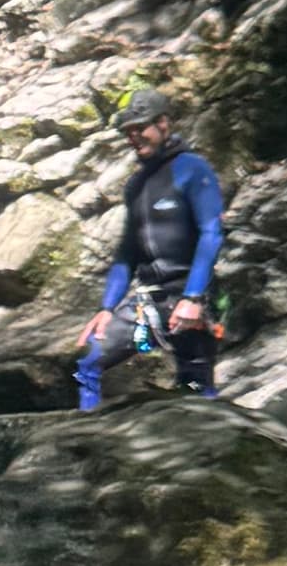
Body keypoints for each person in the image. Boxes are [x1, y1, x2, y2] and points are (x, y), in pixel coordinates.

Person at [75, 87, 227, 413]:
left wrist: (194, 298)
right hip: (149, 306)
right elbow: (127, 252)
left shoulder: (193, 169)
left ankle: (210, 440)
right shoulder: (136, 185)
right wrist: (106, 308)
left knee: (196, 388)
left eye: (140, 128)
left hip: (191, 301)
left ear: (163, 124)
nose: (134, 137)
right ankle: (84, 437)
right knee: (88, 359)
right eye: (128, 132)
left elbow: (211, 233)